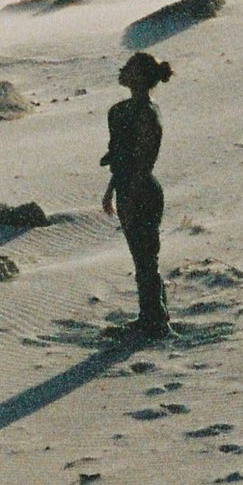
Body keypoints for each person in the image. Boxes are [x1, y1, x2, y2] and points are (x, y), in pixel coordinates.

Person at [101, 50, 171, 336]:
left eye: (129, 67)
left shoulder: (146, 113)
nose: (123, 70)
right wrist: (112, 189)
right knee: (143, 257)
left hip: (141, 191)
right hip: (130, 188)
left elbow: (143, 159)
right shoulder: (122, 110)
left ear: (140, 76)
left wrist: (128, 192)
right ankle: (153, 316)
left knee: (145, 258)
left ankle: (153, 321)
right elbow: (122, 157)